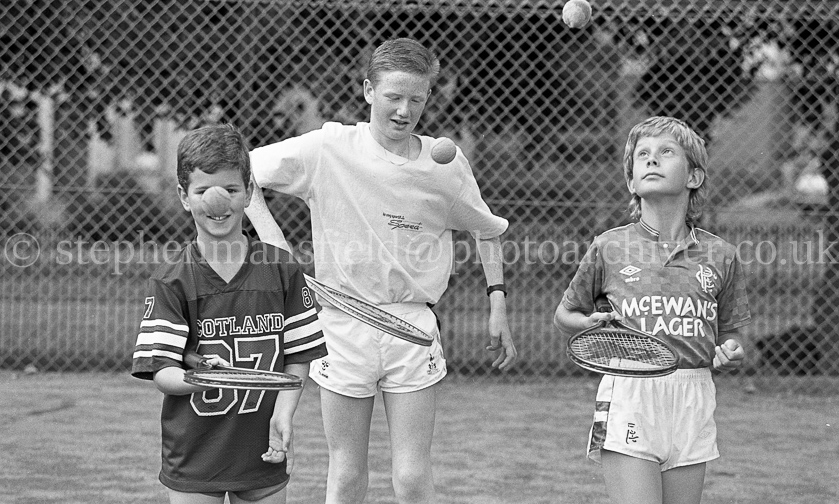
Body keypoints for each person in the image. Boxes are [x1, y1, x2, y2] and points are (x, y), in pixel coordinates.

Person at [245, 38, 517, 503]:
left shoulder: (446, 164)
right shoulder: (329, 147)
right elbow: (242, 170)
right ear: (369, 90)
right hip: (341, 325)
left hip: (412, 327)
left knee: (411, 477)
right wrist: (276, 246)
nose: (404, 111)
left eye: (417, 99)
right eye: (393, 96)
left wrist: (497, 302)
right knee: (347, 473)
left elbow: (486, 229)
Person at [553, 116, 751, 504]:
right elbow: (565, 314)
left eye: (666, 152)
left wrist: (732, 350)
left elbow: (732, 332)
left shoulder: (722, 254)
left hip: (694, 396)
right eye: (642, 155)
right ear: (632, 182)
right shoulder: (609, 246)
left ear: (694, 176)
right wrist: (588, 323)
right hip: (631, 393)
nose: (652, 160)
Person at [131, 123, 327, 504]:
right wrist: (201, 377)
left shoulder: (282, 270)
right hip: (195, 454)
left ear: (249, 192)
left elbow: (299, 355)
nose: (217, 202)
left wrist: (284, 412)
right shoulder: (173, 280)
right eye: (203, 191)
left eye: (231, 190)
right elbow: (163, 372)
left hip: (262, 447)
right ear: (184, 197)